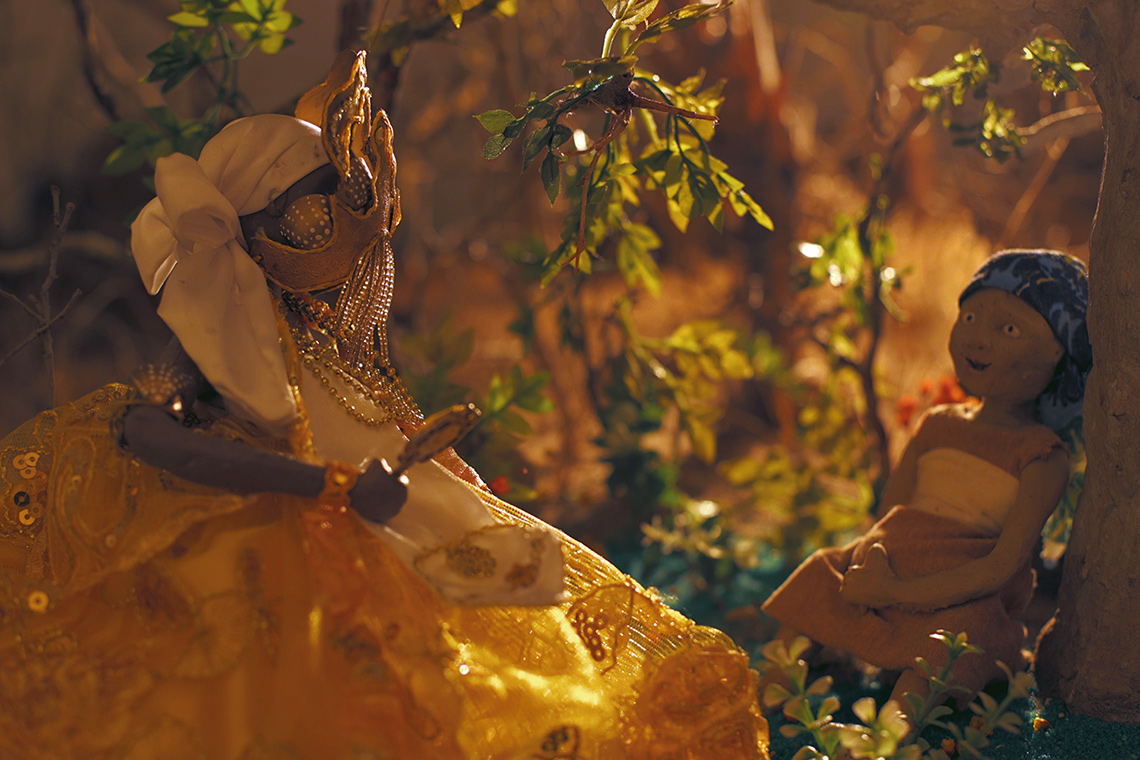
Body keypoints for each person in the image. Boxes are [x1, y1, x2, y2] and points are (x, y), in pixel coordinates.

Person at [0, 52, 767, 759]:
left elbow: (371, 403)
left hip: (385, 512)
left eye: (348, 204)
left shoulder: (323, 331)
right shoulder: (221, 337)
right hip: (290, 536)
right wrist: (321, 486)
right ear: (254, 232)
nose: (341, 231)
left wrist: (431, 456)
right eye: (313, 213)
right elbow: (143, 430)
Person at [762, 249, 1091, 711]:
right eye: (970, 317)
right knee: (822, 573)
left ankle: (892, 729)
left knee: (959, 633)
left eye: (1009, 329)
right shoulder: (937, 425)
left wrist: (899, 594)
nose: (978, 339)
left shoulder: (1041, 455)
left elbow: (1001, 566)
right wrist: (870, 565)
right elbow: (887, 515)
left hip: (961, 593)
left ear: (1057, 350)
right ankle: (771, 688)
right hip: (891, 570)